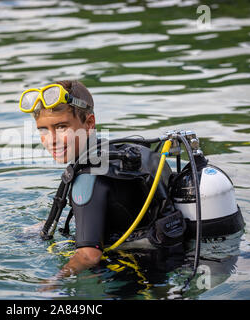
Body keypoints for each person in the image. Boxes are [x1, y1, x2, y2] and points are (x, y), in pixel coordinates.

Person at [18, 80, 176, 280]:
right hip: (168, 261)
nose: (51, 140)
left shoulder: (86, 179)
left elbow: (88, 256)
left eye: (61, 127)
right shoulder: (127, 154)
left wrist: (51, 283)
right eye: (43, 129)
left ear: (89, 123)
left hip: (133, 279)